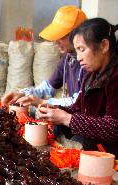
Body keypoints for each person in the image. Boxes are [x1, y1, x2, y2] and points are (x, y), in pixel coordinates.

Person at [36, 18, 118, 155]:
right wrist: (55, 111)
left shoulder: (115, 78)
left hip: (110, 150)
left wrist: (67, 119)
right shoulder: (91, 76)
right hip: (94, 142)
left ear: (104, 46)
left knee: (77, 141)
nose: (78, 57)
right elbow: (77, 108)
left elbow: (113, 127)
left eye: (82, 49)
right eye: (77, 51)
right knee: (57, 129)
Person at [2, 5, 87, 109]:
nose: (56, 42)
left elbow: (79, 102)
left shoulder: (89, 64)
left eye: (62, 36)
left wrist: (42, 102)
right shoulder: (68, 59)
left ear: (79, 36)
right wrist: (24, 94)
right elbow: (48, 87)